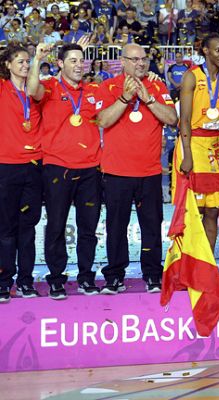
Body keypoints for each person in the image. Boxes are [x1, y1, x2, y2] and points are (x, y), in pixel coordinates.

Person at [95, 44, 178, 294]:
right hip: (116, 170)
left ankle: (153, 275)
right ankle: (115, 276)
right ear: (122, 61)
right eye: (134, 59)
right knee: (116, 227)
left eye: (144, 59)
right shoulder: (108, 86)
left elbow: (172, 118)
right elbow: (102, 120)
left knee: (152, 226)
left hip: (150, 171)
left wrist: (148, 99)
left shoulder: (157, 86)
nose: (141, 64)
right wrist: (125, 98)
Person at [33, 39, 103, 300]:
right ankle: (56, 279)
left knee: (88, 227)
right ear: (60, 64)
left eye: (81, 60)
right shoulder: (49, 86)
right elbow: (32, 90)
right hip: (57, 167)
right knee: (56, 226)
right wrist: (38, 59)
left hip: (90, 168)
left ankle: (86, 277)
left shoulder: (94, 90)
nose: (78, 65)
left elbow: (120, 91)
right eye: (72, 61)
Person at [176, 34, 219, 251]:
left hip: (217, 148)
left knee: (214, 210)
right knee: (196, 209)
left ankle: (208, 261)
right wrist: (187, 154)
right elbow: (185, 119)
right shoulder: (192, 77)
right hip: (197, 146)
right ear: (206, 51)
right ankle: (191, 258)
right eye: (218, 50)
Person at [0, 43, 45, 302]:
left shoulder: (35, 88)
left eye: (27, 61)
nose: (26, 65)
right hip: (6, 165)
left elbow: (33, 90)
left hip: (33, 166)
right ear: (7, 65)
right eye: (20, 61)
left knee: (28, 227)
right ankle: (4, 281)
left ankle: (26, 281)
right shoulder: (2, 87)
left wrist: (37, 60)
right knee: (5, 227)